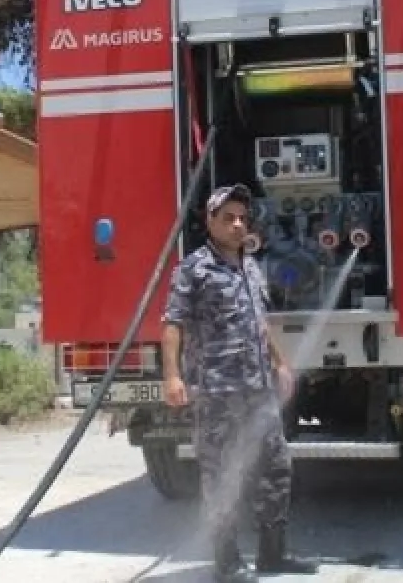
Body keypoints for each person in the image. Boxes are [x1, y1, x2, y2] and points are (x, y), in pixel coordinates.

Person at [161, 184, 319, 583]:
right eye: (228, 217)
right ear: (210, 221)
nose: (236, 224)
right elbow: (173, 324)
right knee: (221, 475)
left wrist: (281, 364)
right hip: (218, 391)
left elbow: (259, 323)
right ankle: (227, 562)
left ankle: (272, 554)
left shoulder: (250, 266)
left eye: (242, 218)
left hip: (259, 389)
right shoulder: (194, 268)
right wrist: (173, 376)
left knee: (276, 468)